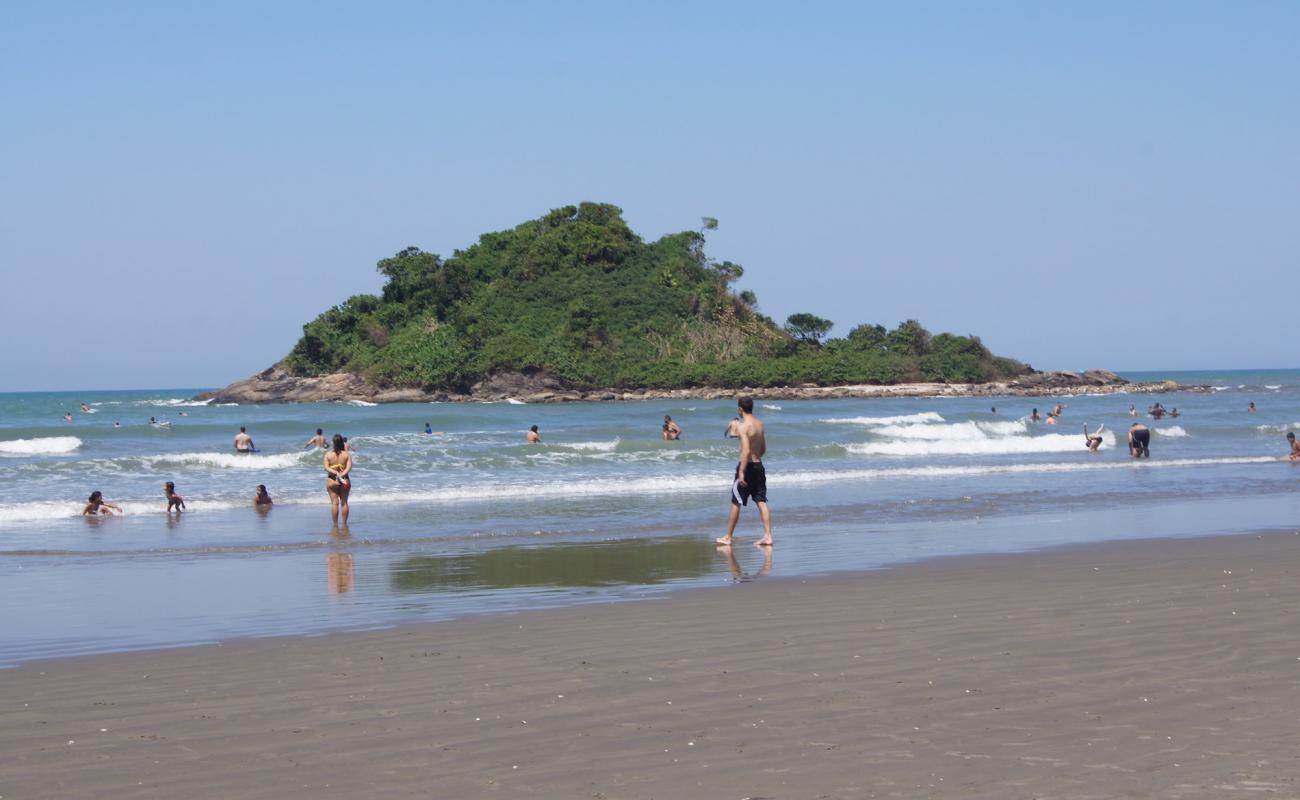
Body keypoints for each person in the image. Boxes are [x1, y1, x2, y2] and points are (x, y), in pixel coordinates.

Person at [716, 397, 773, 547]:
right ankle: (768, 536)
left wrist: (741, 471)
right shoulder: (760, 424)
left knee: (736, 501)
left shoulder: (743, 426)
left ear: (740, 409)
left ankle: (728, 537)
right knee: (761, 500)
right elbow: (763, 449)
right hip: (759, 465)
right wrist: (756, 459)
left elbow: (746, 450)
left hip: (746, 467)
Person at [324, 434, 352, 525]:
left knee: (334, 503)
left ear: (333, 443)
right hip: (344, 480)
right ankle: (344, 524)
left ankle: (335, 525)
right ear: (342, 443)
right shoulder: (347, 455)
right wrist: (341, 475)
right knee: (344, 503)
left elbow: (326, 467)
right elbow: (348, 468)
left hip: (332, 480)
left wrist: (335, 473)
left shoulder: (328, 455)